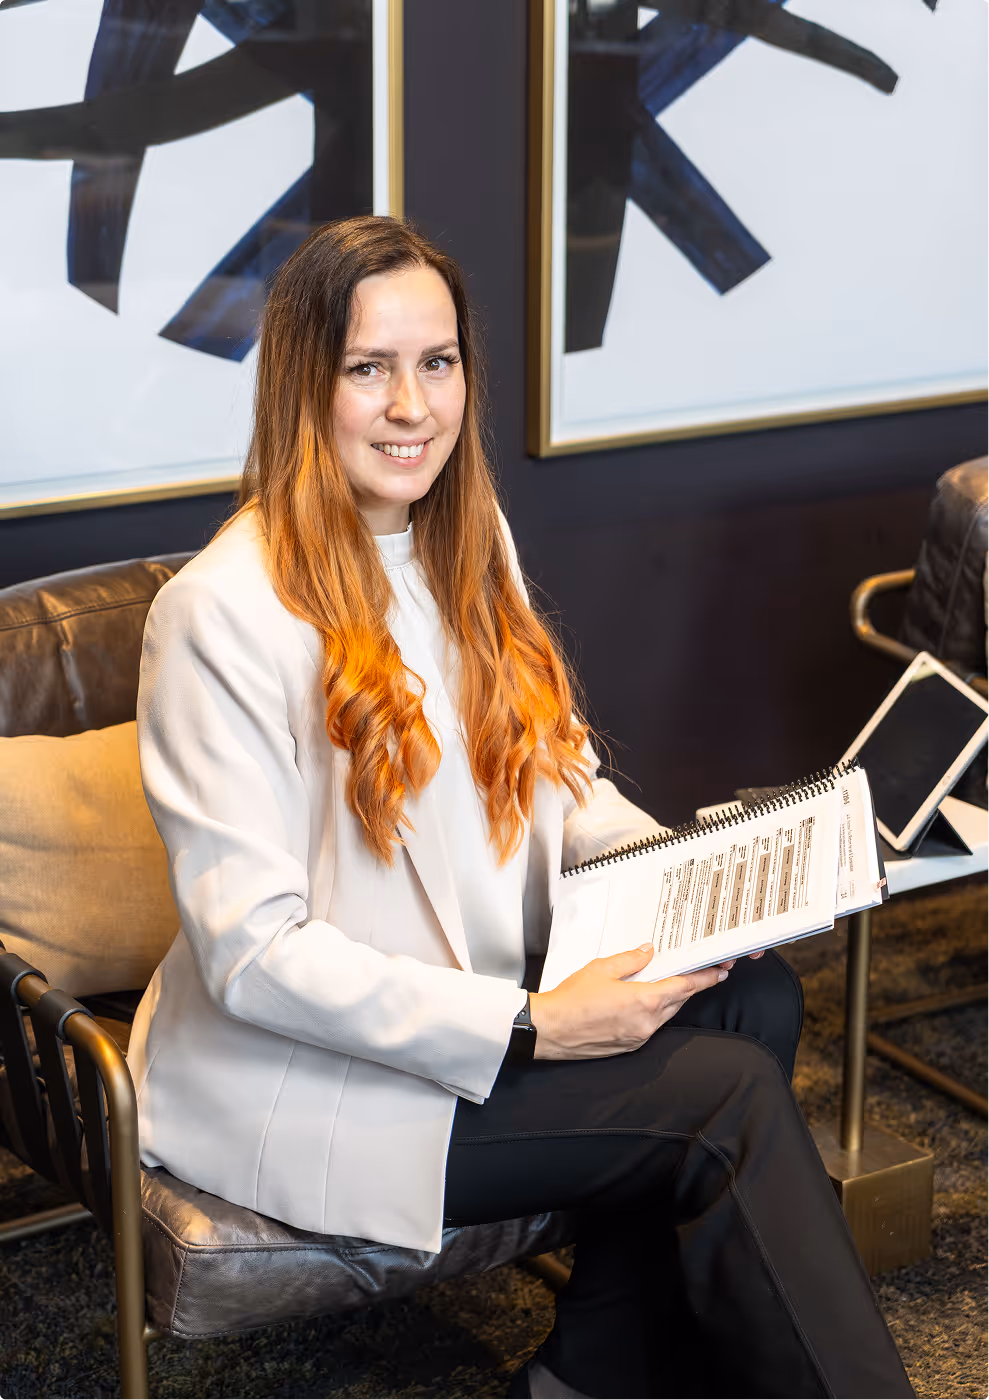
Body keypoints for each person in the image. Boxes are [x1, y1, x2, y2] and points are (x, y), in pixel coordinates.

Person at [129, 216, 914, 1400]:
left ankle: (591, 1366)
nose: (411, 406)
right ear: (305, 385)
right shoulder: (217, 615)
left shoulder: (464, 538)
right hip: (313, 1076)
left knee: (747, 990)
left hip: (479, 1017)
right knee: (723, 1099)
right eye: (367, 368)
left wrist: (693, 882)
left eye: (436, 362)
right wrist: (534, 1025)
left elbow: (557, 783)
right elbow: (254, 954)